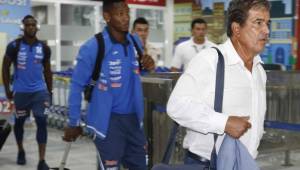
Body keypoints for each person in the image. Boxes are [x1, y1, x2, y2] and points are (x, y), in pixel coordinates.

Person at [167, 0, 270, 168]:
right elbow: (177, 105)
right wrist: (223, 123)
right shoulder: (210, 60)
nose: (266, 30)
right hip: (207, 164)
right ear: (237, 29)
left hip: (244, 163)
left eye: (267, 23)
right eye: (258, 23)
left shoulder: (259, 70)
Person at [63, 0, 154, 170]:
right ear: (107, 17)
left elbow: (137, 73)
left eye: (127, 13)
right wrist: (73, 122)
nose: (126, 18)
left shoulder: (135, 42)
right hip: (107, 123)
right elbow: (76, 86)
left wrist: (148, 66)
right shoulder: (93, 46)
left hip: (134, 121)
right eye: (120, 14)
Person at [2, 15, 52, 170]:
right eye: (27, 25)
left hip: (39, 92)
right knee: (19, 123)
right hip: (21, 93)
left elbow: (48, 71)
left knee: (42, 122)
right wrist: (8, 90)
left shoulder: (44, 47)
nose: (30, 27)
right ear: (23, 27)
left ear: (37, 27)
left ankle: (42, 160)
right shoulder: (14, 46)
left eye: (33, 25)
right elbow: (5, 67)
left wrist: (49, 91)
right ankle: (20, 151)